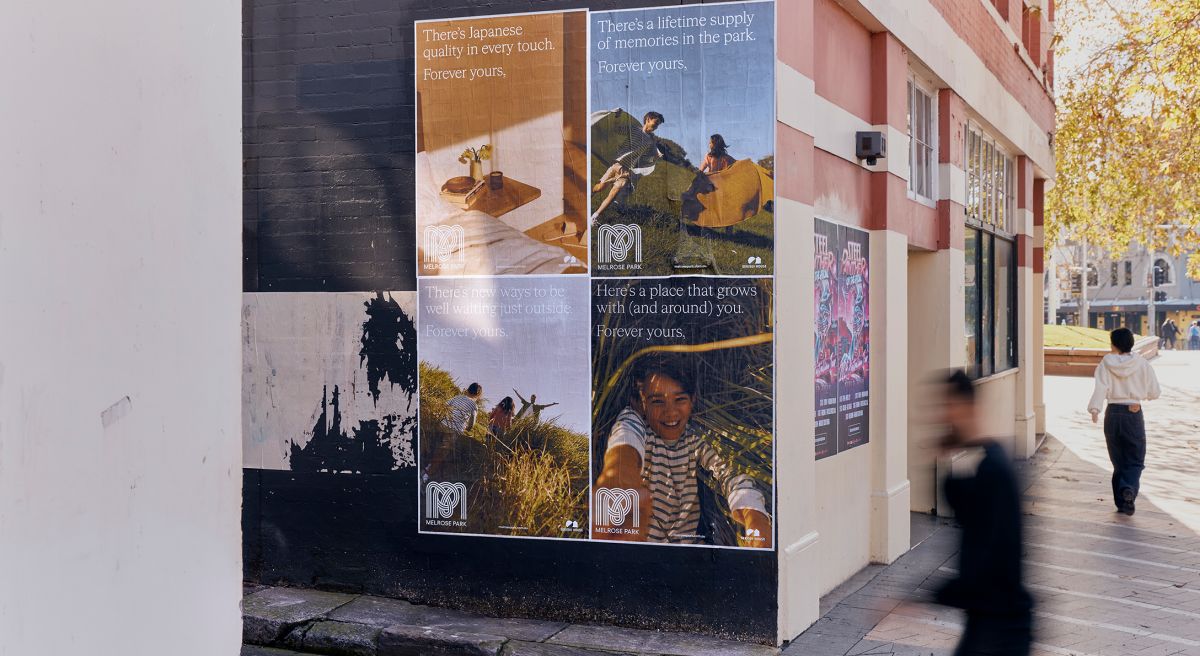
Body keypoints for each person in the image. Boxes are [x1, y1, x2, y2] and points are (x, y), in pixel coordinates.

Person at [593, 356, 771, 547]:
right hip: (639, 546)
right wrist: (619, 474)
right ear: (640, 403)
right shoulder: (636, 423)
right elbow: (625, 438)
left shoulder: (694, 436)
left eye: (680, 399)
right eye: (657, 401)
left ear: (693, 400)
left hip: (687, 549)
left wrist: (755, 518)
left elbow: (730, 472)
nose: (670, 412)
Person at [935, 369, 1034, 656]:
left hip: (1000, 629)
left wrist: (923, 599)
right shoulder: (992, 459)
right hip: (990, 621)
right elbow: (964, 507)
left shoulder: (993, 471)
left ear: (966, 407)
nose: (943, 417)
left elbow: (983, 554)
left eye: (948, 407)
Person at [1088, 327, 1160, 515]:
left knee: (1118, 462)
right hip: (1133, 413)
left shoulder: (1106, 363)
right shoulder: (1142, 363)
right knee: (1135, 460)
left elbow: (1100, 388)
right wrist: (1139, 396)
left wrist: (1095, 409)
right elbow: (1154, 392)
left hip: (1112, 413)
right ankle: (1128, 488)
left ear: (1114, 345)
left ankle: (1122, 503)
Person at [591, 111, 666, 221]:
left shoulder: (650, 141)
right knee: (600, 187)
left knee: (614, 193)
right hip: (617, 164)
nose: (656, 127)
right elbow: (616, 130)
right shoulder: (634, 129)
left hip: (627, 170)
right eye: (656, 123)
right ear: (648, 119)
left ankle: (594, 218)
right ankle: (590, 195)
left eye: (658, 125)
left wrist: (657, 155)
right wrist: (616, 116)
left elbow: (652, 153)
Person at [425, 382, 483, 480]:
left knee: (436, 446)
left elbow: (445, 405)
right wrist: (468, 428)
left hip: (442, 424)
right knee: (443, 452)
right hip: (454, 429)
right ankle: (427, 474)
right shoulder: (474, 405)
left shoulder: (458, 397)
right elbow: (471, 423)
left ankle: (427, 465)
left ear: (468, 390)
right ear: (478, 394)